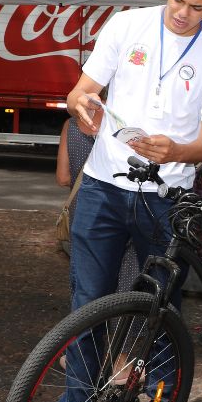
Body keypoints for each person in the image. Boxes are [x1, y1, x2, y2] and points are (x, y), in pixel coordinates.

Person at [60, 0, 202, 402]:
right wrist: (82, 106)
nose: (184, 14)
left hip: (169, 197)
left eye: (197, 8)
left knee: (164, 312)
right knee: (88, 302)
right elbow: (82, 90)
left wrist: (177, 151)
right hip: (103, 187)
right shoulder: (125, 27)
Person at [55, 117, 138, 289]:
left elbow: (63, 178)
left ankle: (89, 315)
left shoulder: (71, 125)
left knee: (88, 279)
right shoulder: (129, 124)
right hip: (129, 202)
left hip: (84, 206)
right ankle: (124, 312)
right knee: (130, 274)